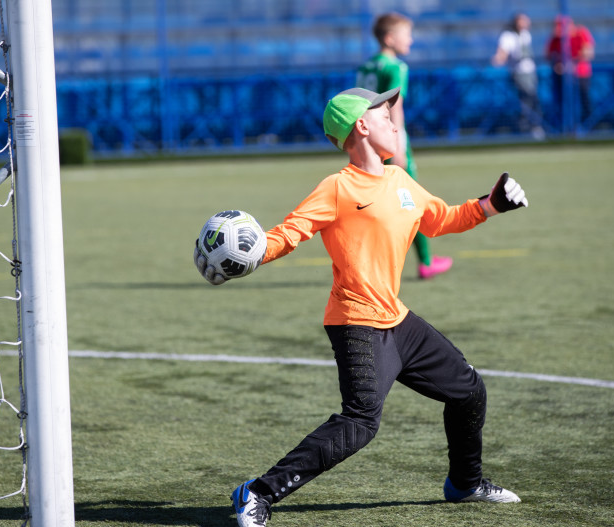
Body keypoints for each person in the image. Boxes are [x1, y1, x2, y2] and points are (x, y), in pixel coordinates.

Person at [194, 86, 529, 527]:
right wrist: (252, 253)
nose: (395, 123)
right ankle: (257, 492)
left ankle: (465, 483)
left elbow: (442, 218)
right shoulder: (337, 188)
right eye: (386, 116)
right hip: (356, 322)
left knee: (468, 391)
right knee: (361, 423)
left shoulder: (400, 180)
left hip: (397, 319)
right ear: (362, 126)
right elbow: (291, 231)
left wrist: (492, 204)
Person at [356, 12, 453, 280]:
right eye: (406, 35)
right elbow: (394, 108)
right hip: (387, 140)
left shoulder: (366, 67)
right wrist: (398, 146)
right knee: (411, 202)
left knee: (371, 203)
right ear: (390, 38)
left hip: (365, 140)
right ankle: (426, 262)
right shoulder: (397, 67)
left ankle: (362, 261)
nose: (411, 39)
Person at [491, 12, 545, 140]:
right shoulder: (508, 36)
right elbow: (502, 53)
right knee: (526, 100)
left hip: (530, 72)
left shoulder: (526, 35)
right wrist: (498, 59)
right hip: (519, 73)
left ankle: (534, 126)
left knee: (533, 100)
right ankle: (526, 128)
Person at [546, 16, 595, 126]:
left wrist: (570, 65)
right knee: (564, 103)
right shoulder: (556, 38)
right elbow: (548, 55)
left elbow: (588, 53)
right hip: (563, 76)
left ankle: (589, 126)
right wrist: (557, 65)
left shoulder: (581, 32)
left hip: (581, 75)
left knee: (584, 101)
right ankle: (567, 127)